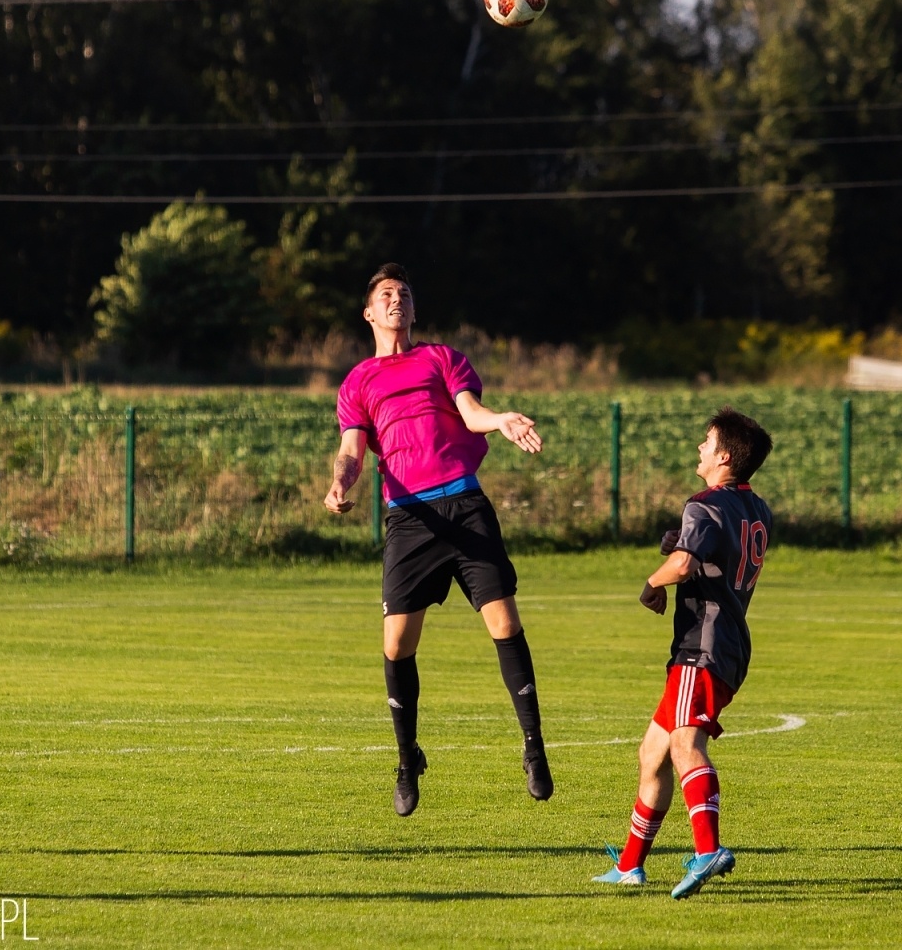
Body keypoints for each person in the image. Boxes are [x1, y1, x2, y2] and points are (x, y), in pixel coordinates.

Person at [324, 263, 552, 816]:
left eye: (404, 293)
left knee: (505, 623)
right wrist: (338, 482)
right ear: (369, 313)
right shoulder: (357, 381)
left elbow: (470, 413)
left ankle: (534, 747)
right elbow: (353, 451)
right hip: (410, 520)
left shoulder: (442, 358)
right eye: (386, 294)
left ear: (414, 309)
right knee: (397, 645)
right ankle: (408, 760)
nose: (396, 299)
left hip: (465, 504)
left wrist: (500, 420)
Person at [593, 407, 774, 899]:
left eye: (706, 441)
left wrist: (652, 582)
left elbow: (682, 564)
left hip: (703, 645)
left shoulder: (703, 505)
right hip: (730, 645)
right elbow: (712, 554)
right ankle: (630, 865)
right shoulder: (758, 509)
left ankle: (709, 849)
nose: (699, 447)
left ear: (724, 456)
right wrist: (685, 546)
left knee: (683, 747)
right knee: (651, 753)